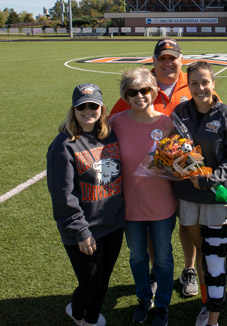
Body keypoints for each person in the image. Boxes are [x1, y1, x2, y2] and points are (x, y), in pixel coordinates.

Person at [109, 37, 227, 298]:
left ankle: (188, 269)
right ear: (153, 61)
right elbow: (112, 124)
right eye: (161, 58)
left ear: (180, 59)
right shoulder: (141, 85)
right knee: (154, 231)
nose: (167, 63)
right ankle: (156, 271)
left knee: (189, 226)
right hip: (151, 180)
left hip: (188, 178)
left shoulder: (193, 84)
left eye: (172, 58)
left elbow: (218, 114)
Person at [47, 83, 125, 326]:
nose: (88, 110)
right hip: (85, 229)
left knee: (103, 280)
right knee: (90, 282)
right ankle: (77, 310)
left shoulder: (109, 134)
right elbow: (63, 196)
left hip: (113, 223)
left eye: (94, 105)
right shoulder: (64, 145)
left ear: (101, 108)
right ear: (74, 109)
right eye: (82, 106)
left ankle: (91, 318)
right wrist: (80, 231)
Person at [173, 61, 227, 326]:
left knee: (213, 259)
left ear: (214, 84)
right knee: (202, 253)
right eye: (194, 83)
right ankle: (205, 302)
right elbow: (173, 148)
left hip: (216, 197)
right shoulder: (181, 111)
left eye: (205, 82)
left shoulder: (226, 114)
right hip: (188, 197)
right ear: (187, 85)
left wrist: (211, 178)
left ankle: (212, 314)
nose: (200, 88)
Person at [109, 67, 177, 326]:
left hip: (162, 204)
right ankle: (143, 299)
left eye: (145, 90)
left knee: (162, 256)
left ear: (154, 91)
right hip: (129, 206)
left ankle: (162, 306)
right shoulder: (116, 123)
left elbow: (179, 162)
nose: (140, 96)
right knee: (137, 256)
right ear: (125, 96)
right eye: (133, 91)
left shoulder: (167, 124)